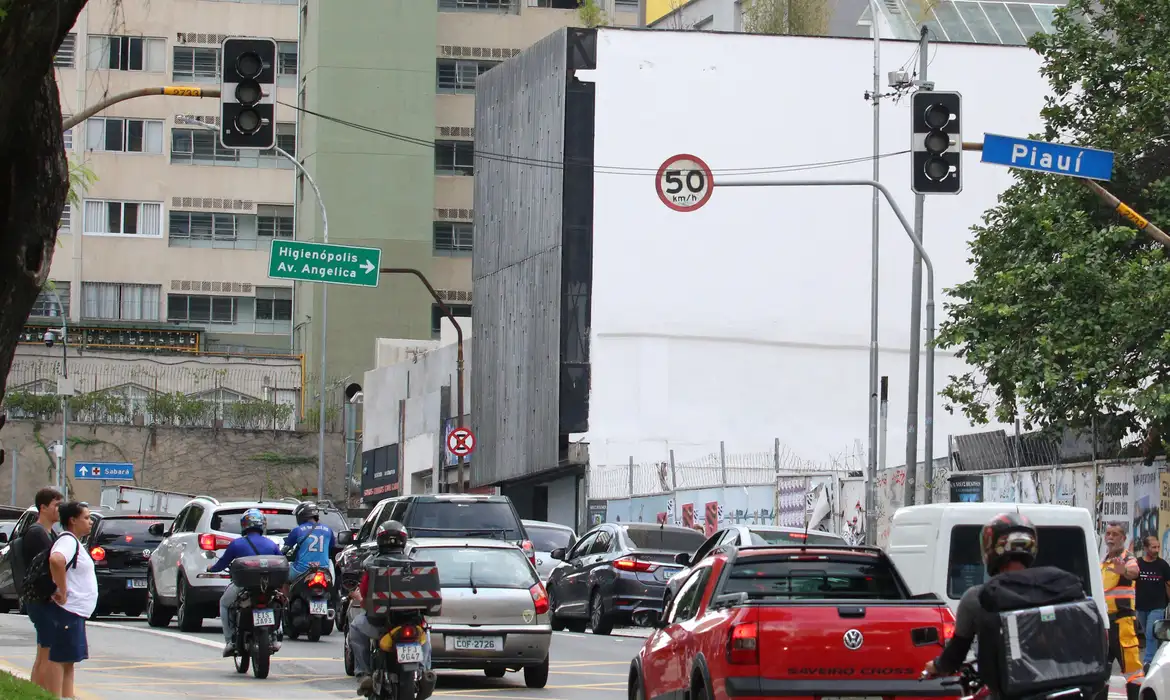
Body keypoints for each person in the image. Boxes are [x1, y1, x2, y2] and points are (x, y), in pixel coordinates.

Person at [923, 512, 1105, 699]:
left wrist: (937, 665)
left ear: (989, 549)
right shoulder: (1060, 587)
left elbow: (956, 654)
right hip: (1068, 688)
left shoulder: (977, 597)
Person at [348, 521, 435, 697]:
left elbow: (365, 595)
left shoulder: (372, 565)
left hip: (380, 624)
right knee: (427, 634)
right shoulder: (414, 567)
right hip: (413, 621)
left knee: (355, 627)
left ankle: (363, 673)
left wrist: (360, 599)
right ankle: (426, 670)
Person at [207, 508, 283, 657]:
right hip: (267, 588)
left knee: (224, 604)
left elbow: (221, 564)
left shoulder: (237, 544)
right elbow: (282, 562)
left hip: (243, 587)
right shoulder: (271, 544)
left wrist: (211, 568)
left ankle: (230, 641)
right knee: (279, 604)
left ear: (244, 525)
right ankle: (275, 635)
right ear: (262, 524)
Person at [44, 500, 96, 700]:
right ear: (73, 520)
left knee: (68, 661)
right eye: (86, 518)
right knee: (60, 659)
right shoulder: (68, 541)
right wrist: (63, 591)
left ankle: (67, 696)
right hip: (68, 610)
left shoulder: (74, 541)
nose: (90, 522)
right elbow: (56, 559)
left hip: (74, 611)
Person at [21, 487, 62, 692]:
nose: (59, 510)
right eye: (56, 505)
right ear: (43, 507)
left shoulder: (49, 532)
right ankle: (41, 692)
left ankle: (35, 692)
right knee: (47, 652)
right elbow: (45, 570)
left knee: (43, 651)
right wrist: (56, 591)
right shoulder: (38, 534)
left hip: (40, 599)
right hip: (41, 599)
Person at [1103, 522, 1144, 697]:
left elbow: (1134, 572)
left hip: (1123, 623)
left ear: (1123, 538)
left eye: (1115, 534)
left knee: (1132, 669)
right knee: (1101, 669)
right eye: (1108, 533)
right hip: (1105, 623)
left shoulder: (1128, 558)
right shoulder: (1104, 560)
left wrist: (1124, 570)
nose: (1110, 537)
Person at [1137, 535, 1170, 668]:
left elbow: (1168, 584)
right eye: (1153, 547)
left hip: (1158, 605)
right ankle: (1157, 659)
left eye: (1158, 547)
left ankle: (1148, 662)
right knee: (1149, 634)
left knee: (1151, 632)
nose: (1156, 550)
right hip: (1141, 605)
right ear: (1145, 548)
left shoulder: (1162, 565)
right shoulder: (1138, 563)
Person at [284, 502, 336, 580]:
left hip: (301, 571)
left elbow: (285, 549)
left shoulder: (297, 530)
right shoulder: (328, 530)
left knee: (284, 577)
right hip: (323, 571)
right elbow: (332, 547)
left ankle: (286, 592)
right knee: (330, 563)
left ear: (301, 515)